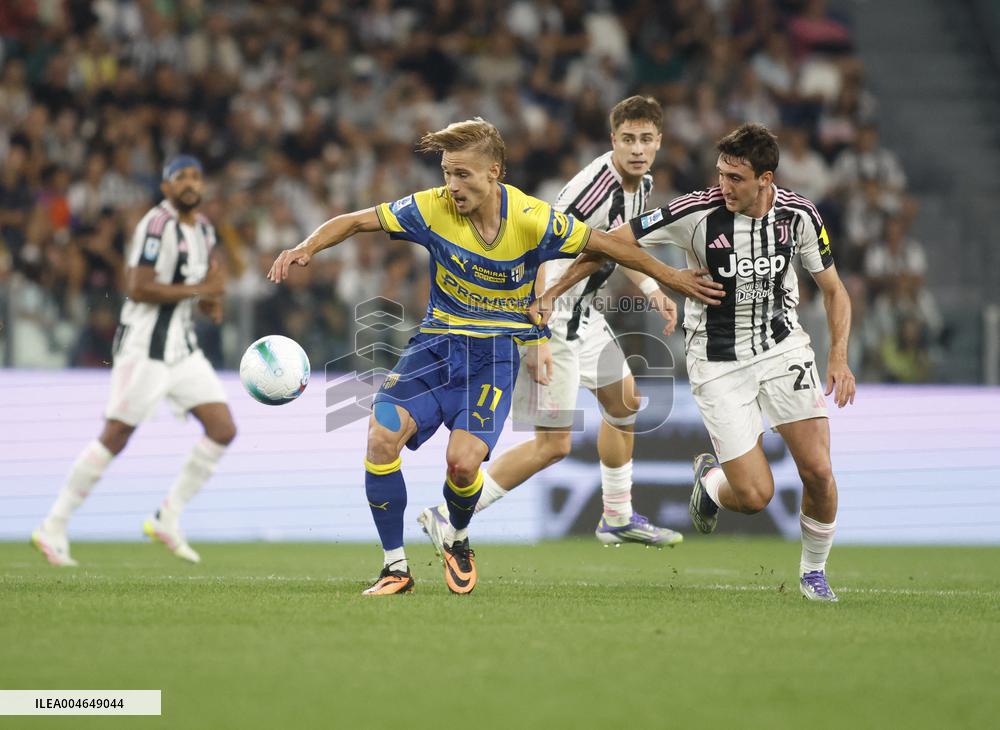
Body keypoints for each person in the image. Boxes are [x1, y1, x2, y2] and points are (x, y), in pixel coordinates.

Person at [268, 118, 723, 596]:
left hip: (492, 358)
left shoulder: (533, 218)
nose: (452, 186)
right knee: (382, 436)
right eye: (447, 173)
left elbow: (611, 246)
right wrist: (306, 246)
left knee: (463, 465)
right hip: (434, 349)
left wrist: (669, 278)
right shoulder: (431, 208)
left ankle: (458, 535)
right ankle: (394, 567)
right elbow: (357, 220)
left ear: (494, 172)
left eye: (462, 174)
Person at [534, 124, 856, 602]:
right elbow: (609, 241)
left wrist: (839, 356)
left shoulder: (800, 215)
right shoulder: (695, 211)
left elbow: (833, 289)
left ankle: (814, 573)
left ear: (765, 179)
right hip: (718, 362)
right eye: (720, 173)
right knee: (754, 497)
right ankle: (711, 480)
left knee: (819, 471)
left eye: (736, 178)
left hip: (782, 349)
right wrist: (557, 292)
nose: (723, 185)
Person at [416, 96, 683, 549]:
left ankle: (617, 516)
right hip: (552, 316)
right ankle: (448, 513)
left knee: (625, 402)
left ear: (659, 141)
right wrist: (539, 323)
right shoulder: (593, 188)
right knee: (553, 445)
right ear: (613, 140)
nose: (637, 149)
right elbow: (538, 245)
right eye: (628, 139)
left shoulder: (642, 184)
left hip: (583, 313)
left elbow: (619, 246)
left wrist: (653, 289)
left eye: (645, 139)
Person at [32, 155, 236, 566]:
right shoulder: (156, 225)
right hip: (145, 348)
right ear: (165, 187)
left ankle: (167, 517)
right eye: (181, 177)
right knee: (116, 434)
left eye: (196, 176)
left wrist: (210, 301)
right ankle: (53, 524)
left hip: (182, 348)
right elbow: (139, 286)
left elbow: (200, 288)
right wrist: (200, 290)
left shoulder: (204, 229)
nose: (190, 183)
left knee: (222, 428)